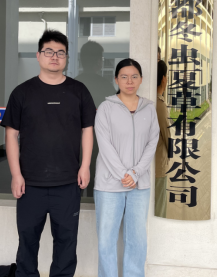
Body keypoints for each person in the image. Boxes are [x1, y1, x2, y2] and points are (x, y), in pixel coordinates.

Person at [1, 30, 96, 278]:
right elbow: (11, 135)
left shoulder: (79, 91)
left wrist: (85, 166)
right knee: (27, 242)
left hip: (68, 182)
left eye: (60, 52)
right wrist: (16, 175)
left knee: (67, 243)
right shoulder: (22, 92)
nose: (55, 57)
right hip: (30, 184)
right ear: (38, 55)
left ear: (67, 57)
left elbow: (87, 130)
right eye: (49, 52)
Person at [94, 59, 160, 277]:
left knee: (137, 239)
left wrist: (135, 173)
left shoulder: (149, 109)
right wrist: (124, 174)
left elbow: (152, 143)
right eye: (124, 76)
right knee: (106, 239)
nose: (129, 81)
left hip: (139, 186)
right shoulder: (105, 108)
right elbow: (104, 145)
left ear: (141, 79)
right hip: (109, 184)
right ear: (116, 79)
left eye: (134, 76)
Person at [75, 41, 116, 195]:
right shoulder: (106, 86)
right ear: (99, 61)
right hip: (99, 143)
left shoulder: (73, 84)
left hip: (73, 143)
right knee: (95, 182)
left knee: (75, 185)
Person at [154, 60, 171, 218]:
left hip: (149, 165)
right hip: (158, 166)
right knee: (159, 209)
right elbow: (167, 136)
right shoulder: (159, 104)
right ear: (164, 79)